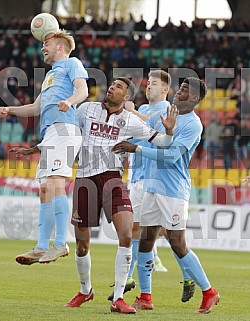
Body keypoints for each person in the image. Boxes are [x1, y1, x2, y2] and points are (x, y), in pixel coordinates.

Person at [64, 77, 178, 314]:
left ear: (126, 97)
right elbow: (67, 132)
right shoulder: (86, 109)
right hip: (85, 180)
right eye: (112, 84)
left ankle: (118, 298)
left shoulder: (130, 121)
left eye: (118, 87)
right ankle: (86, 290)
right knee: (82, 245)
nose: (112, 87)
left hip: (113, 179)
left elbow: (164, 143)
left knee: (127, 235)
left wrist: (169, 130)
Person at [112, 77, 220, 314]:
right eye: (179, 87)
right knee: (145, 241)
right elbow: (140, 134)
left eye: (183, 90)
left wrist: (137, 149)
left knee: (177, 242)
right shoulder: (163, 115)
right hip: (150, 186)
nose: (177, 92)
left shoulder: (193, 124)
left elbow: (171, 157)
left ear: (193, 98)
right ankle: (146, 296)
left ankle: (209, 292)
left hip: (172, 189)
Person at [0, 29, 88, 265]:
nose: (42, 48)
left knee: (56, 183)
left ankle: (60, 243)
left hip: (65, 128)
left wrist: (69, 102)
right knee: (45, 188)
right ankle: (40, 246)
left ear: (60, 46)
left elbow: (83, 90)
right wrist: (11, 110)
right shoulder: (49, 76)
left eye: (46, 44)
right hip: (50, 134)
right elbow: (36, 108)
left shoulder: (72, 63)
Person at [107, 70, 170, 303]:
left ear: (165, 89)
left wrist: (132, 112)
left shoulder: (166, 110)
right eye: (148, 83)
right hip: (136, 177)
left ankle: (189, 278)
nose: (149, 87)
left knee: (155, 236)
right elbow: (132, 135)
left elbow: (162, 134)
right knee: (135, 233)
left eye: (154, 84)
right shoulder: (143, 110)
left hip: (155, 180)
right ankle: (129, 282)